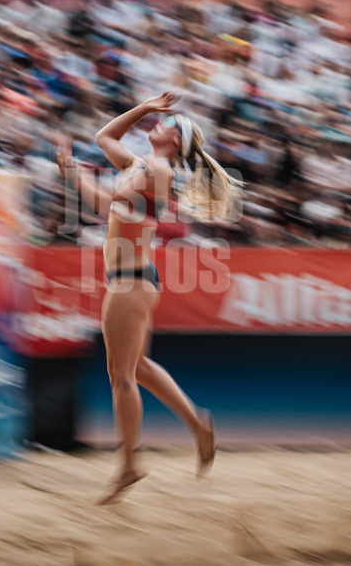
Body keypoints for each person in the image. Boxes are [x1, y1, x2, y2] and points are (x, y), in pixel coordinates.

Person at [55, 91, 242, 504]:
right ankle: (197, 424)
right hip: (138, 279)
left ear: (176, 141)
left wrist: (71, 170)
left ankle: (129, 466)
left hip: (129, 282)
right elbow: (105, 137)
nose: (160, 123)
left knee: (121, 376)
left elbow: (104, 206)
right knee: (135, 368)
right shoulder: (144, 165)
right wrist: (144, 108)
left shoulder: (155, 169)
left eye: (168, 123)